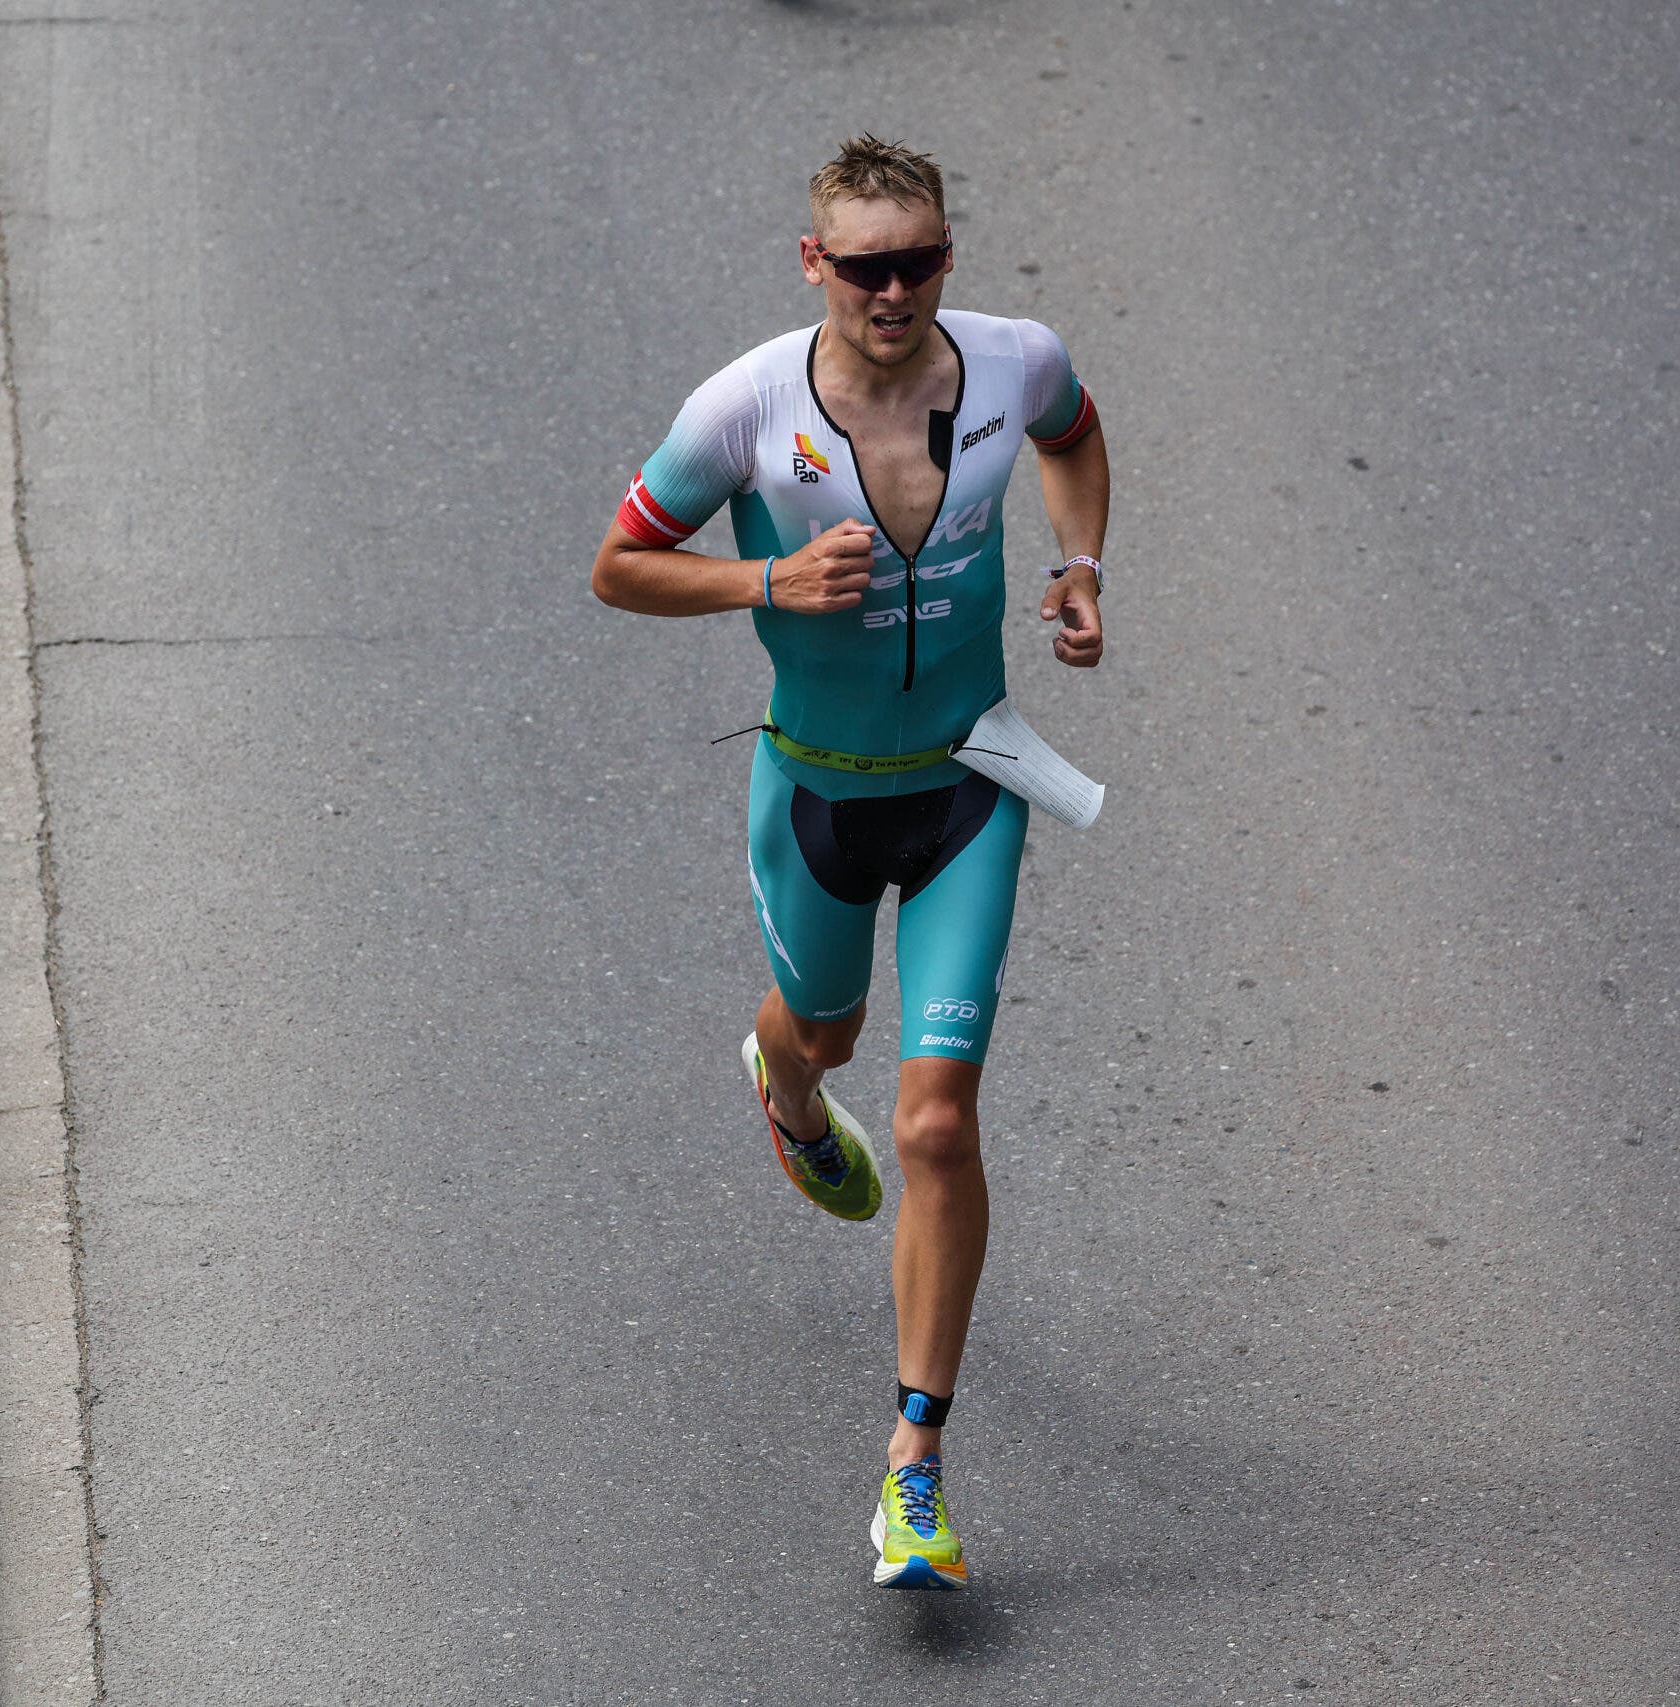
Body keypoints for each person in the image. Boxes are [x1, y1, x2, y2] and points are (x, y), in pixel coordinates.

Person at [588, 134, 1109, 1591]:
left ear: (949, 253)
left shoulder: (1013, 364)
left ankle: (917, 1465)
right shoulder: (744, 410)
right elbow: (617, 565)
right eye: (865, 265)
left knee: (938, 1124)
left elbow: (1075, 437)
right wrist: (762, 578)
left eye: (920, 260)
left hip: (968, 791)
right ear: (813, 263)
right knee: (822, 1030)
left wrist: (1080, 569)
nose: (895, 290)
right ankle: (787, 1085)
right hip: (816, 796)